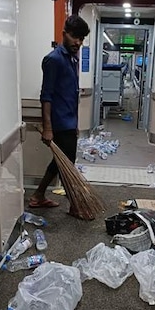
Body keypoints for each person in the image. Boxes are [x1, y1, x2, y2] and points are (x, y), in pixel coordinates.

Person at [28, 15, 90, 216]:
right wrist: (47, 128)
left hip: (69, 122)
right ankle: (74, 205)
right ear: (64, 34)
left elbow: (70, 95)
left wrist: (76, 125)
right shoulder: (53, 59)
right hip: (59, 124)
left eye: (81, 39)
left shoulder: (72, 59)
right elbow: (46, 96)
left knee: (61, 162)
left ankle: (38, 195)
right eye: (74, 37)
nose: (78, 42)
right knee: (67, 165)